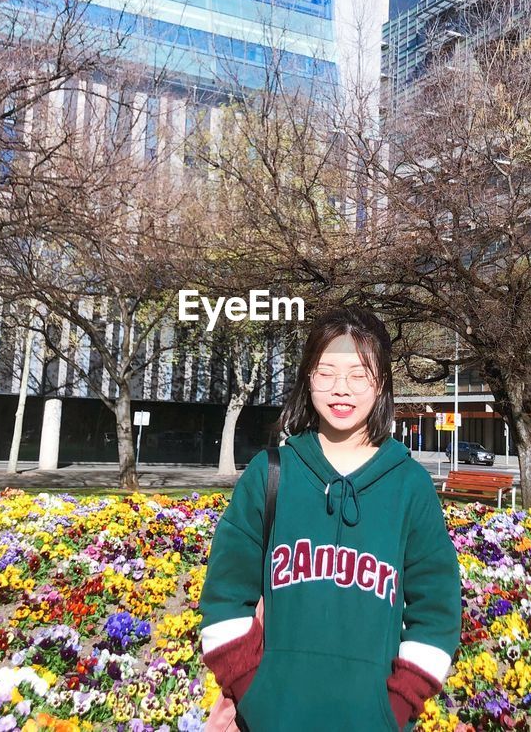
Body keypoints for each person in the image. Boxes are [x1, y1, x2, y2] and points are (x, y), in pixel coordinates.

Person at [198, 305, 462, 731]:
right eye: (327, 372)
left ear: (382, 384)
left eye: (359, 374)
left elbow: (438, 610)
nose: (342, 389)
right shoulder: (268, 476)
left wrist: (393, 708)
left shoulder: (410, 486)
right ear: (307, 378)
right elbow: (224, 597)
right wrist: (256, 693)